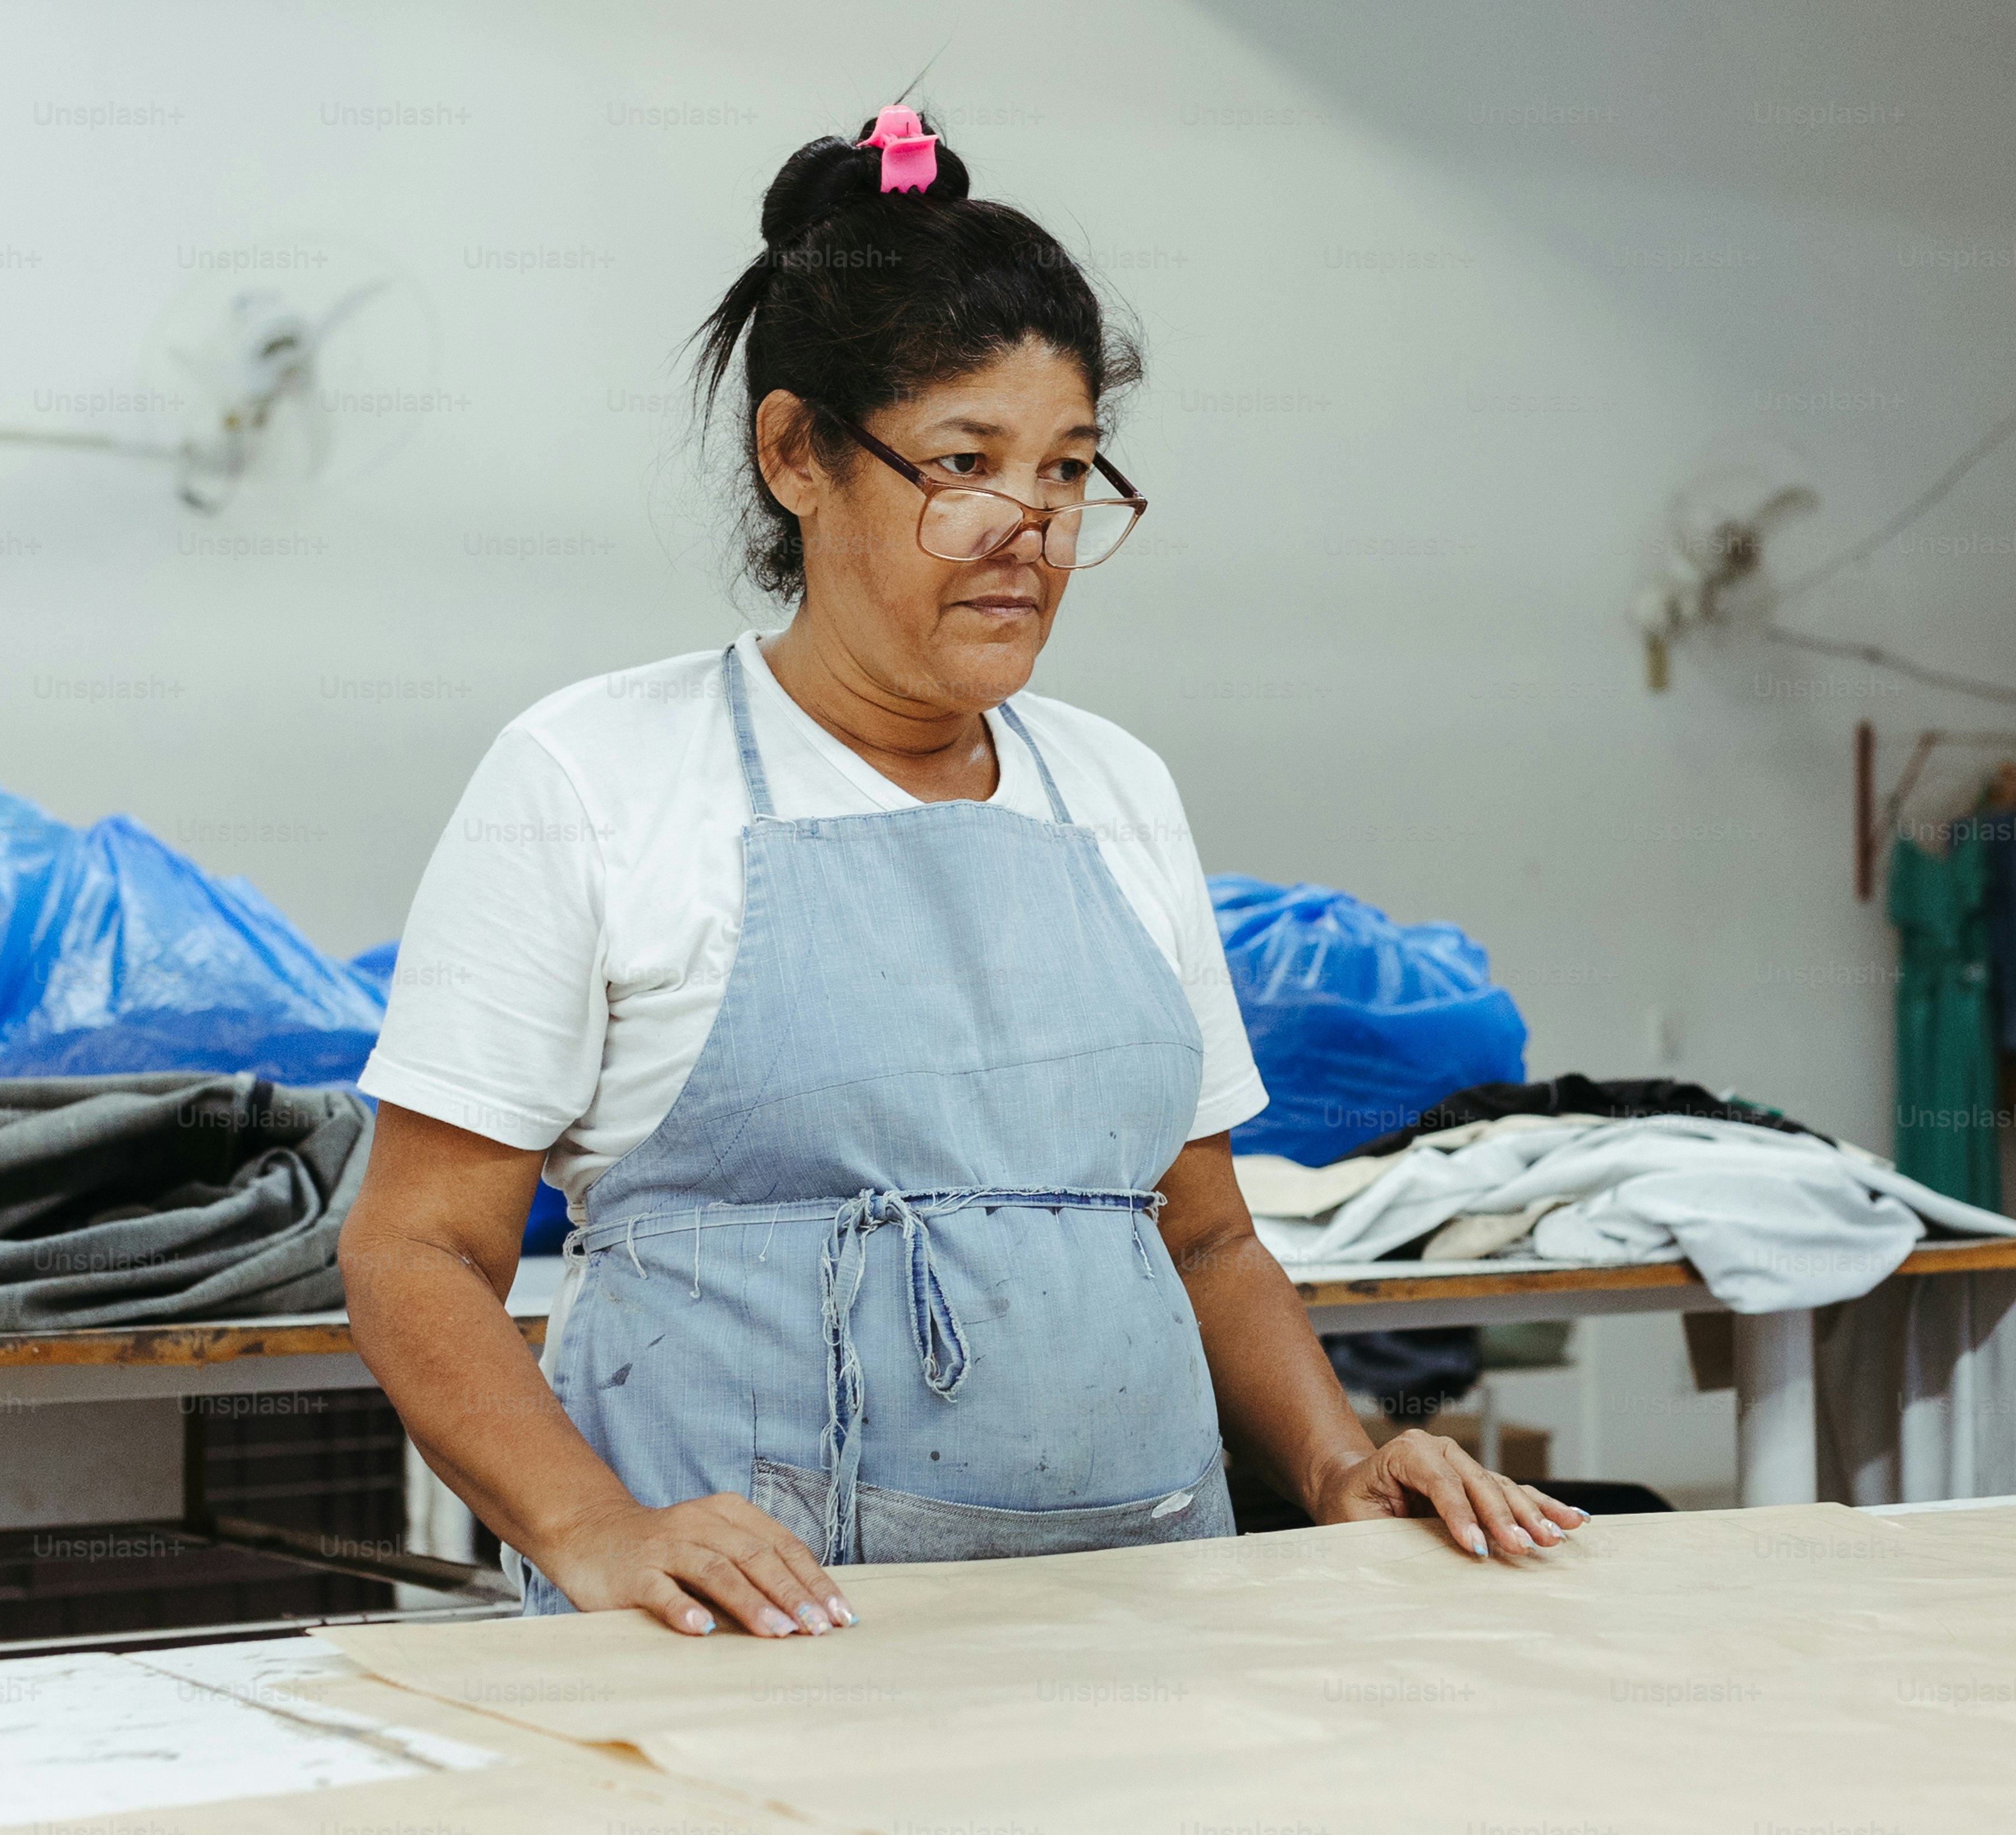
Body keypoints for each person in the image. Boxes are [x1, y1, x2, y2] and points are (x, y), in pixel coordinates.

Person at [341, 105, 1584, 1641]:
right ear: (796, 453)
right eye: (964, 464)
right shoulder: (595, 777)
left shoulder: (1117, 790)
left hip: (1137, 1624)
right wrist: (594, 1528)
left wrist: (1338, 1466)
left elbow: (1204, 1236)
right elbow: (416, 1248)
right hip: (748, 1653)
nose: (1031, 533)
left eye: (1068, 472)